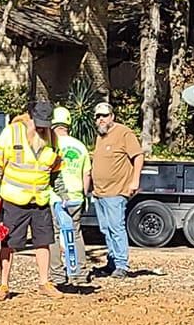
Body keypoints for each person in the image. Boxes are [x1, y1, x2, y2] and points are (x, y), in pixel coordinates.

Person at [0, 99, 63, 298]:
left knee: (43, 242)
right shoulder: (12, 133)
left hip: (40, 201)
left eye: (46, 126)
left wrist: (63, 195)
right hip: (14, 200)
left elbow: (56, 171)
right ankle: (3, 286)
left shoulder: (53, 139)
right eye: (38, 125)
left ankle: (44, 283)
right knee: (8, 244)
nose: (41, 129)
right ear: (30, 119)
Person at [90, 99, 144, 279]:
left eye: (104, 115)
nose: (100, 119)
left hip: (116, 192)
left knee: (116, 227)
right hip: (99, 193)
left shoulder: (124, 133)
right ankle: (112, 263)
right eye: (97, 116)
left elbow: (138, 156)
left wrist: (134, 181)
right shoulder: (100, 136)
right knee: (106, 229)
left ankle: (122, 265)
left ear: (112, 116)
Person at [50, 105, 92, 285]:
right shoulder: (80, 146)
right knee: (75, 233)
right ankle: (80, 273)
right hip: (76, 197)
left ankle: (57, 274)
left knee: (55, 234)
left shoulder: (52, 145)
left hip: (55, 198)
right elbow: (87, 174)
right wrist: (85, 194)